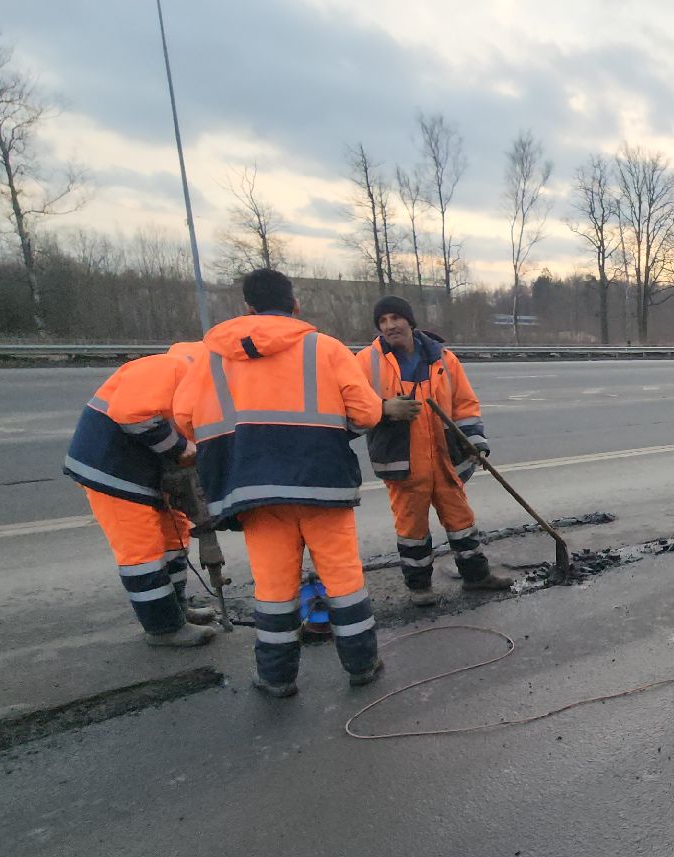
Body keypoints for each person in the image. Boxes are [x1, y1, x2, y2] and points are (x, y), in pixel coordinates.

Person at [173, 270, 418, 698]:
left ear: (247, 308)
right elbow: (364, 412)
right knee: (342, 580)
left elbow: (184, 419)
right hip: (322, 484)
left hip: (252, 490)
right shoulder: (324, 348)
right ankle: (362, 665)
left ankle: (276, 677)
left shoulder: (212, 357)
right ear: (295, 305)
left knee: (273, 589)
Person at [356, 295, 513, 605]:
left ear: (410, 321)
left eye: (395, 318)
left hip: (445, 458)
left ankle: (476, 576)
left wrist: (475, 443)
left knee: (461, 520)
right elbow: (353, 409)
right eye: (383, 321)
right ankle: (419, 587)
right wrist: (384, 409)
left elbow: (464, 405)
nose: (389, 326)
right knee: (411, 527)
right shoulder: (365, 362)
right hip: (403, 461)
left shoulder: (443, 358)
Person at [64, 343, 218, 647]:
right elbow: (131, 414)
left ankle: (177, 610)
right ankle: (163, 629)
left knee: (175, 538)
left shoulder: (197, 382)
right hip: (113, 471)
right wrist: (180, 449)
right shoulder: (170, 368)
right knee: (143, 553)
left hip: (149, 474)